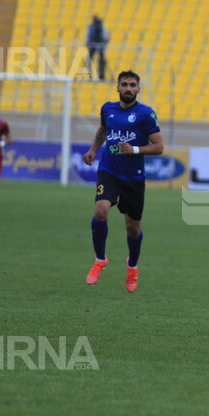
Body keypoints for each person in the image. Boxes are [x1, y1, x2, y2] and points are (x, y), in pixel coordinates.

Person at [82, 71, 164, 292]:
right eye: (124, 84)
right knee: (100, 210)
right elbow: (103, 131)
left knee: (133, 228)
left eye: (132, 85)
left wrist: (134, 149)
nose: (128, 88)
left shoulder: (146, 114)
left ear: (138, 89)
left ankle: (132, 266)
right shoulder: (107, 109)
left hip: (134, 177)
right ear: (117, 87)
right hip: (109, 171)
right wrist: (92, 150)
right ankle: (100, 259)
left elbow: (159, 147)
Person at [86, 15, 110, 81]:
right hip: (93, 45)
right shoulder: (92, 27)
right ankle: (90, 75)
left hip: (98, 45)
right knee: (90, 60)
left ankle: (101, 76)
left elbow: (105, 36)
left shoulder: (101, 27)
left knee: (101, 60)